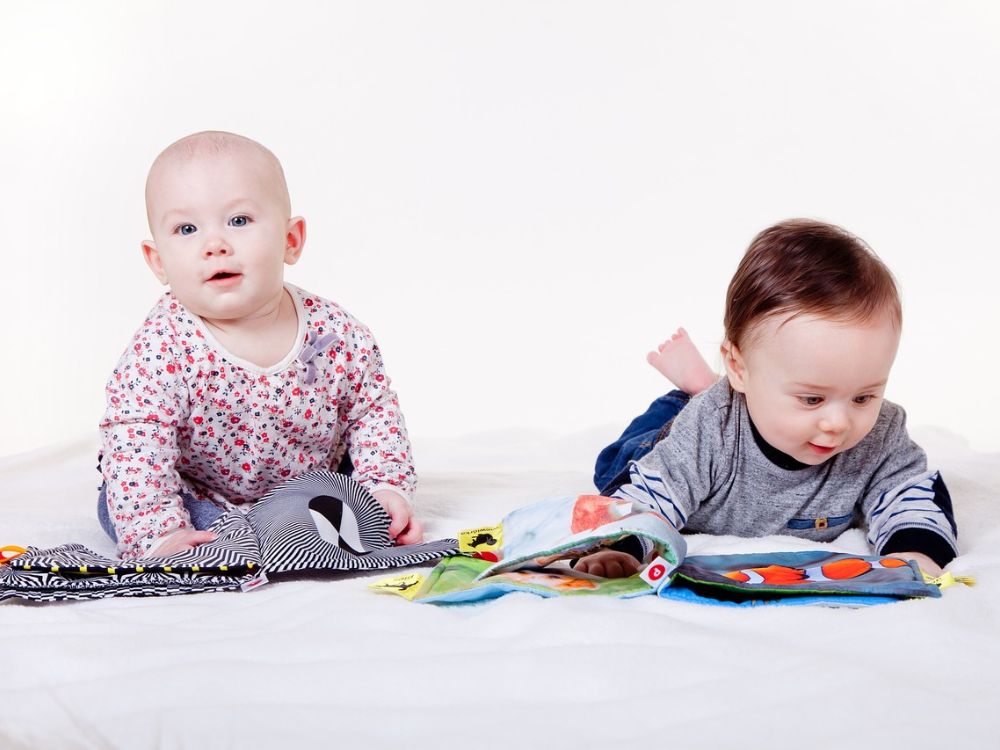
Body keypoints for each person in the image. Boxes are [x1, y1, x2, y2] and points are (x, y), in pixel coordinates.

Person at [98, 131, 421, 559]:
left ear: (291, 240)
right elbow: (137, 440)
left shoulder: (336, 333)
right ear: (158, 262)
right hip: (197, 493)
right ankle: (217, 535)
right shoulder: (162, 348)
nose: (215, 245)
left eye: (239, 221)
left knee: (350, 502)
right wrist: (157, 530)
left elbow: (373, 412)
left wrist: (386, 485)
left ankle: (306, 523)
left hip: (310, 479)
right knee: (127, 501)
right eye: (187, 229)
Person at [578, 219, 957, 579]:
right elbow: (652, 494)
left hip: (743, 398)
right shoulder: (711, 429)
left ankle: (710, 383)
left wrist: (914, 551)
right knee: (617, 467)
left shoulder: (880, 436)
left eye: (864, 396)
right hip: (670, 432)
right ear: (739, 369)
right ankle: (698, 389)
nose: (838, 423)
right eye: (811, 399)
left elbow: (911, 496)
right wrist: (623, 546)